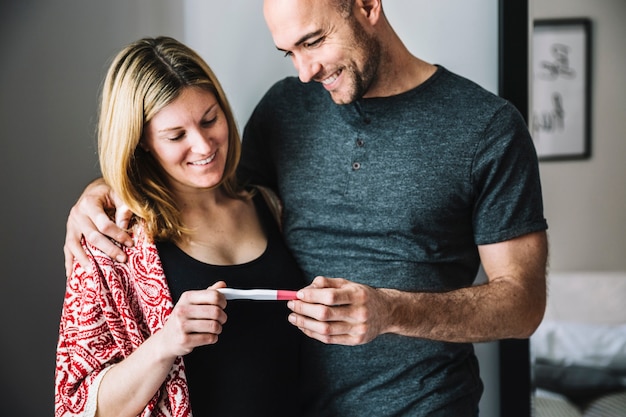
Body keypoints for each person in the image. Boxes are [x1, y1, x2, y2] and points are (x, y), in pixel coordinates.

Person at [63, 1, 549, 416]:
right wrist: (103, 190)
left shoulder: (487, 128)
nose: (304, 71)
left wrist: (390, 311)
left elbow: (523, 305)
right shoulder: (284, 110)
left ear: (366, 5)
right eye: (289, 51)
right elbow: (208, 189)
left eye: (313, 41)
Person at [55, 36, 304, 417]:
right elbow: (75, 406)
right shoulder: (110, 242)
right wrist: (165, 342)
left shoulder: (269, 205)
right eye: (176, 136)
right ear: (140, 143)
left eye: (210, 119)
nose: (204, 146)